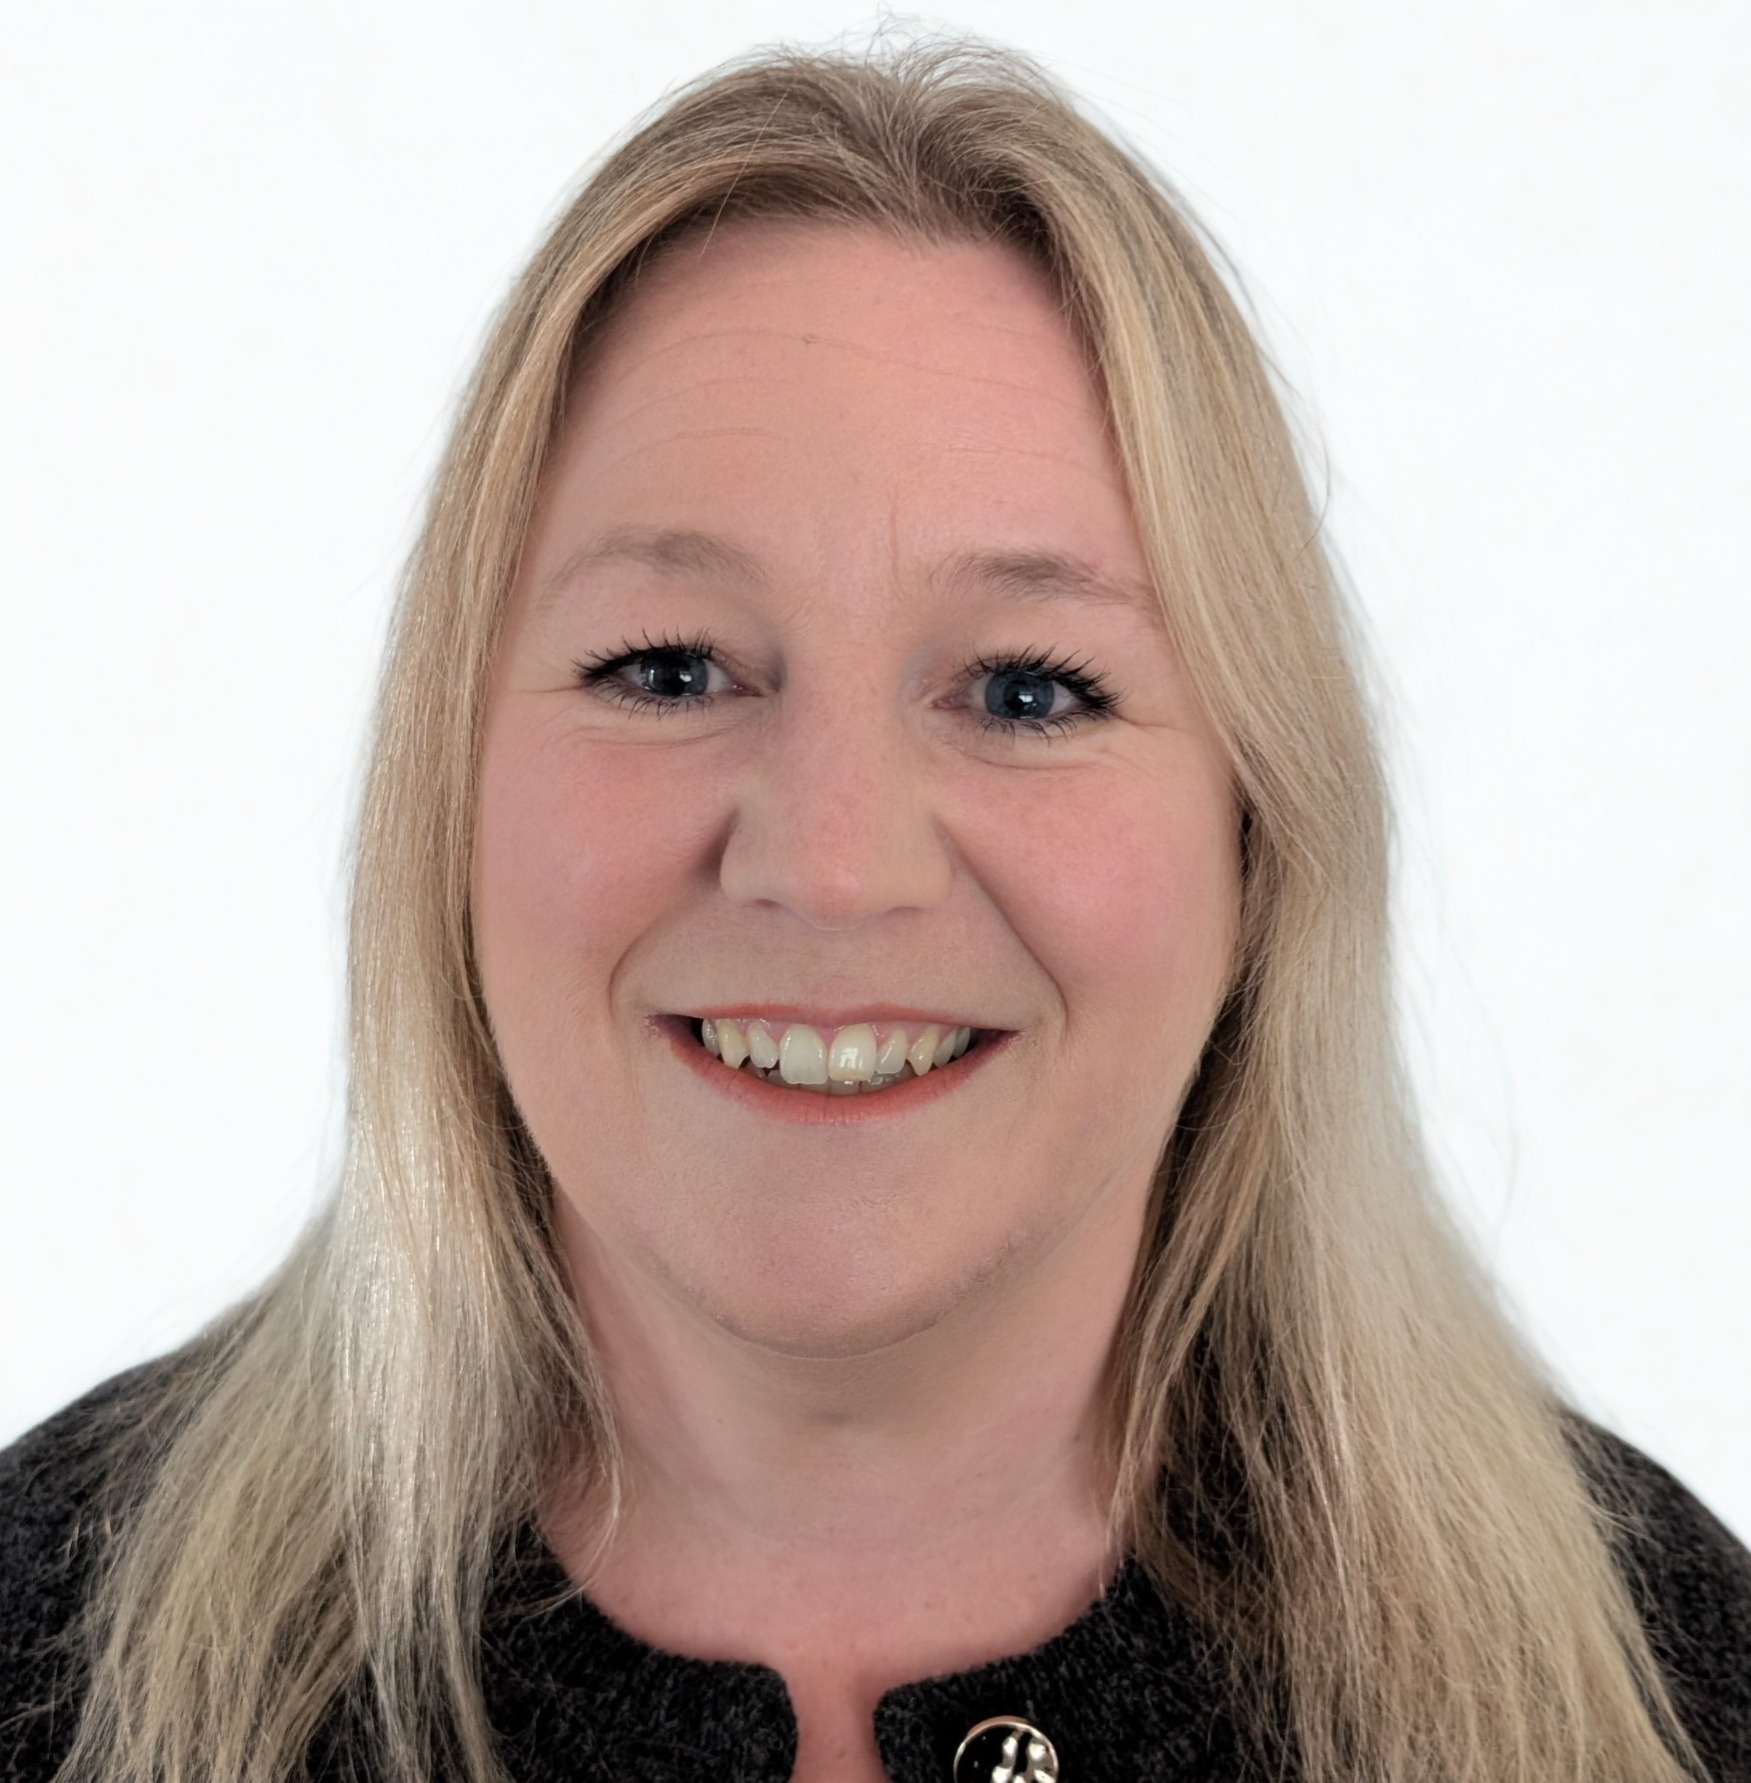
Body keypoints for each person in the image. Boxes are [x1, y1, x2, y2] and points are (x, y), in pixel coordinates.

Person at [2, 36, 1747, 1783]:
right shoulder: (42, 1655)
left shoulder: (1671, 1689)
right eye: (668, 667)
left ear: (1257, 835)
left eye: (1027, 691)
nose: (832, 866)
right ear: (448, 794)